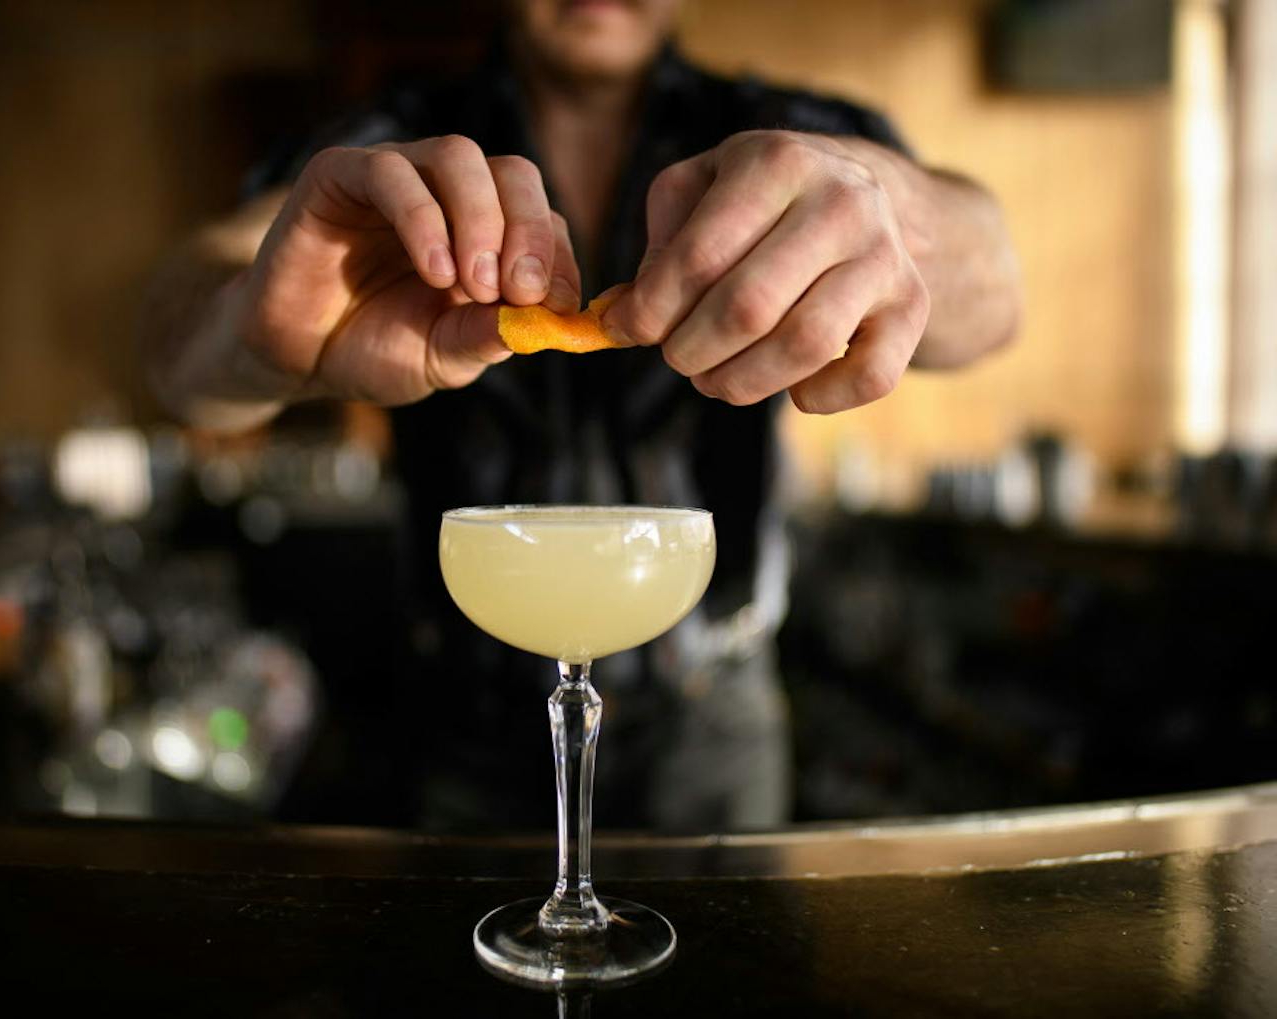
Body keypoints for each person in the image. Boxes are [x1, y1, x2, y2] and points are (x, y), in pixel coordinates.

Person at [144, 0, 1021, 831]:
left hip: (715, 716)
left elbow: (997, 294)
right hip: (461, 718)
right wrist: (253, 335)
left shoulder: (790, 127)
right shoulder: (388, 139)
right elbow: (180, 320)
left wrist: (897, 212)